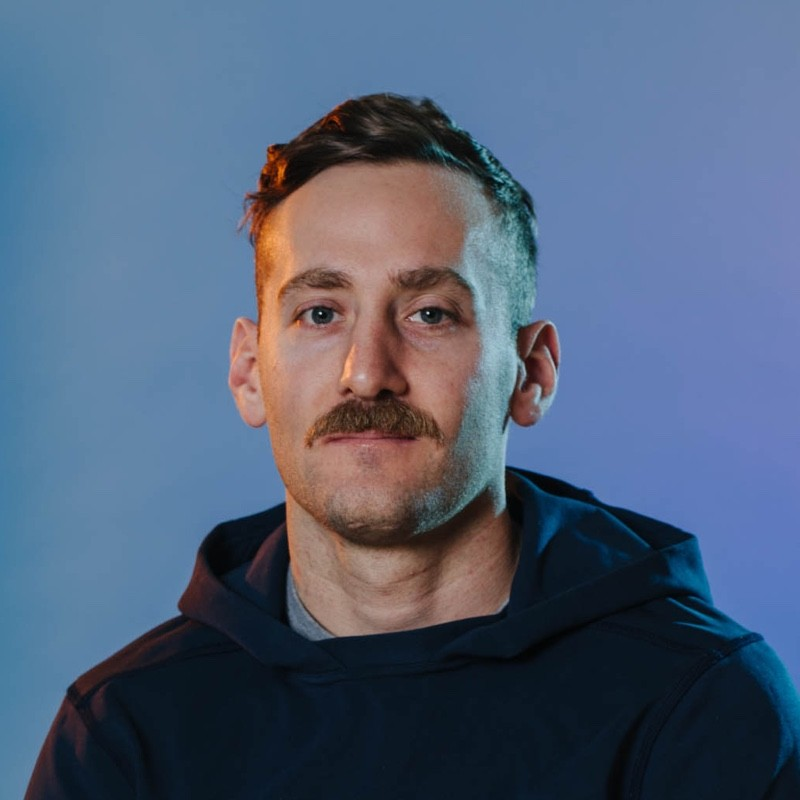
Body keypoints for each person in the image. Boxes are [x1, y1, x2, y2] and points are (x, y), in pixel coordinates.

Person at [26, 93, 800, 799]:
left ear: (530, 374)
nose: (367, 373)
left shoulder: (698, 703)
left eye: (430, 314)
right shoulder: (125, 732)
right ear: (249, 371)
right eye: (321, 313)